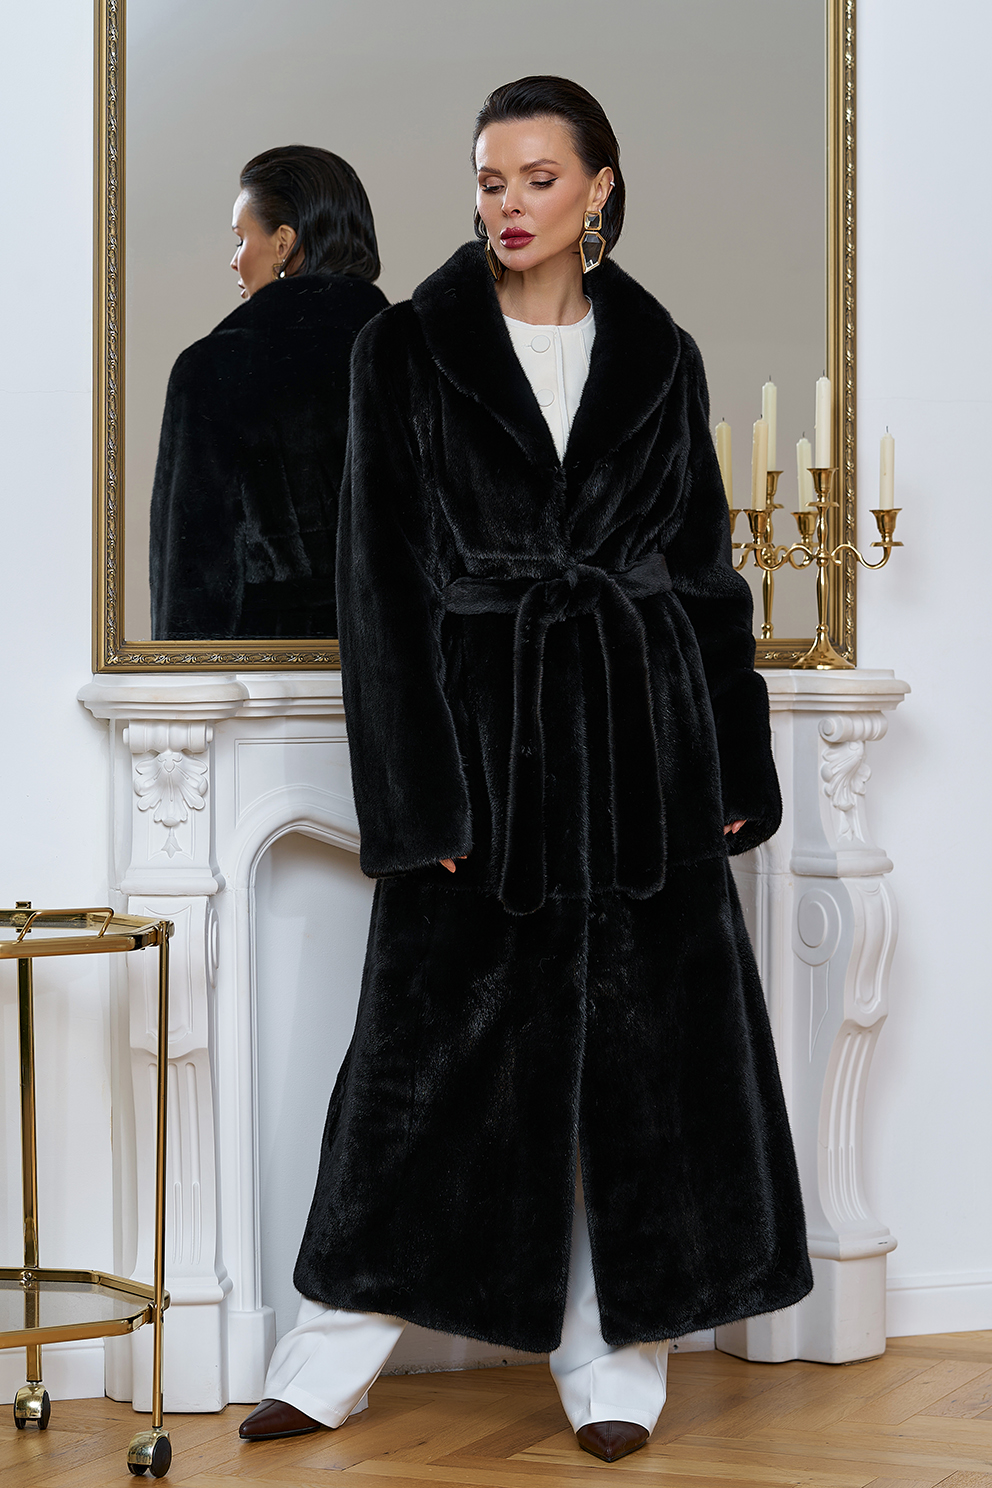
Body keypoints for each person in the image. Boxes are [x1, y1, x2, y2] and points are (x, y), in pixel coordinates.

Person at [240, 77, 813, 1465]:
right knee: (420, 1062)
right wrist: (417, 798)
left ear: (598, 188)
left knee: (644, 1061)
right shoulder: (406, 349)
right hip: (482, 745)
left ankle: (613, 1356)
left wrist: (734, 758)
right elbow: (380, 589)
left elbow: (702, 576)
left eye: (539, 179)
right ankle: (329, 1355)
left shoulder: (659, 353)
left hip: (643, 743)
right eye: (491, 179)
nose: (509, 205)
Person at [149, 145, 387, 640]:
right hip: (404, 664)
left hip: (266, 672)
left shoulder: (213, 370)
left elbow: (194, 580)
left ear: (283, 243)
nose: (234, 261)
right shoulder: (419, 354)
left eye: (241, 239)